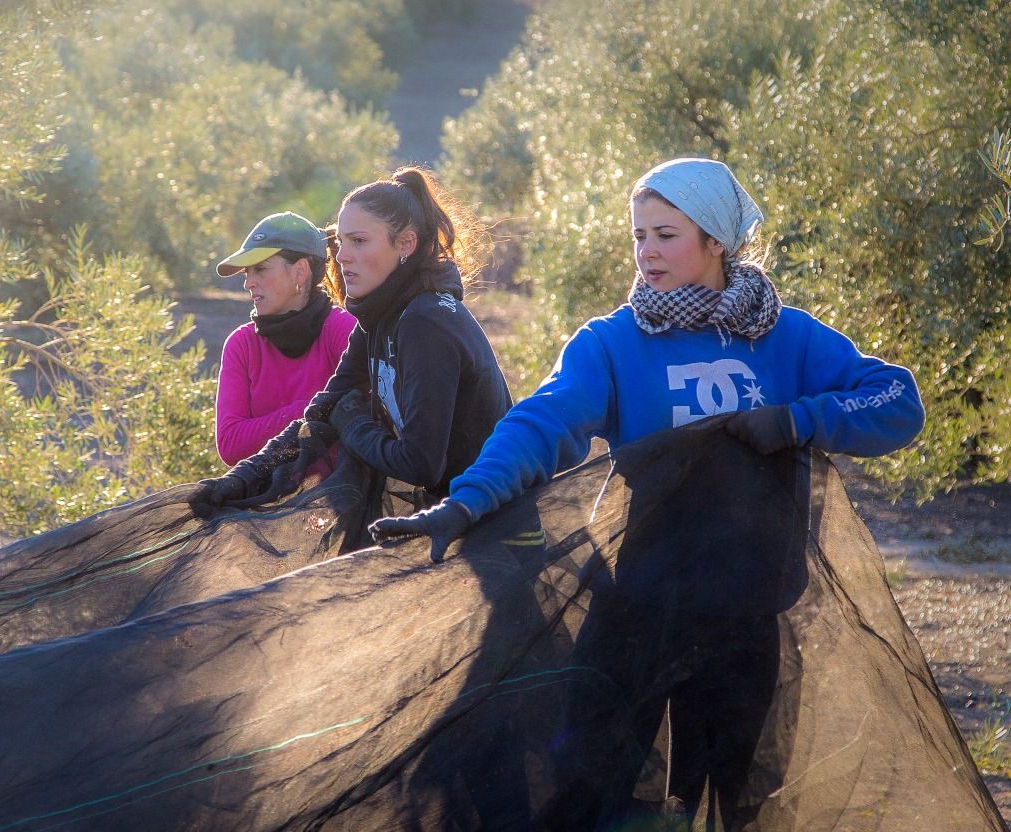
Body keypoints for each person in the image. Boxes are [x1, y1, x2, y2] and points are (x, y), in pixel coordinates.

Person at [370, 157, 926, 826]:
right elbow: (540, 424)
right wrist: (465, 503)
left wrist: (796, 420)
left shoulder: (785, 336)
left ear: (715, 240)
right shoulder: (613, 343)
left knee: (732, 808)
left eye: (666, 234)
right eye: (639, 236)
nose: (648, 253)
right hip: (639, 613)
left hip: (746, 618)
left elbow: (897, 401)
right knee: (589, 791)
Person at [197, 167, 512, 510]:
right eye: (340, 242)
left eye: (359, 241)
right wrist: (244, 477)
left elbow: (419, 464)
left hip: (497, 519)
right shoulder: (379, 319)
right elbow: (321, 413)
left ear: (405, 243)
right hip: (456, 510)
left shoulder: (427, 321)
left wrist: (352, 424)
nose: (343, 255)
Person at [212, 211, 355, 466]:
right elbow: (231, 444)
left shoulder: (342, 330)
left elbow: (365, 415)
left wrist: (269, 427)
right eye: (247, 272)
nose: (248, 283)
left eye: (260, 269)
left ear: (300, 272)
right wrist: (318, 408)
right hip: (265, 501)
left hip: (342, 498)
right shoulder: (242, 345)